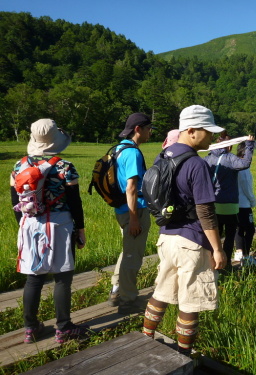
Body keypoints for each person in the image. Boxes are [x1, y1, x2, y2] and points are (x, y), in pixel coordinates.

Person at [142, 105, 227, 356]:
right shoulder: (196, 164)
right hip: (191, 240)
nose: (212, 137)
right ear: (191, 131)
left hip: (167, 238)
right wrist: (218, 248)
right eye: (208, 132)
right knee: (191, 301)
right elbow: (206, 212)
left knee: (162, 291)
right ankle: (183, 355)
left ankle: (145, 341)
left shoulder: (163, 156)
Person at [10, 119, 89, 344]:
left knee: (33, 279)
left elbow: (14, 202)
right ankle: (64, 328)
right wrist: (80, 230)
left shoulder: (18, 166)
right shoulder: (64, 166)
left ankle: (30, 328)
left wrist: (25, 226)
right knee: (62, 278)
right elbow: (75, 202)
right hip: (59, 225)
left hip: (29, 224)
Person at [108, 113, 152, 314]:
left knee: (127, 251)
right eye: (148, 128)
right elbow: (131, 188)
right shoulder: (132, 152)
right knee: (133, 255)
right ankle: (127, 300)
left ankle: (117, 290)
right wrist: (135, 219)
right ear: (138, 129)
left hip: (122, 209)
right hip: (134, 210)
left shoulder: (118, 149)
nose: (150, 132)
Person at [204, 132, 255, 267]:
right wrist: (249, 145)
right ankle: (226, 266)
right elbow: (245, 164)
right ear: (228, 145)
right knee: (230, 234)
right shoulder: (229, 158)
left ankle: (212, 264)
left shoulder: (207, 158)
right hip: (229, 204)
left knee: (215, 235)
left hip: (211, 203)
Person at [234, 141, 256, 265]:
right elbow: (247, 186)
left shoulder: (234, 163)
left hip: (234, 203)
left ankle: (239, 252)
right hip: (244, 204)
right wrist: (253, 201)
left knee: (238, 228)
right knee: (250, 229)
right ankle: (246, 256)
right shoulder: (244, 167)